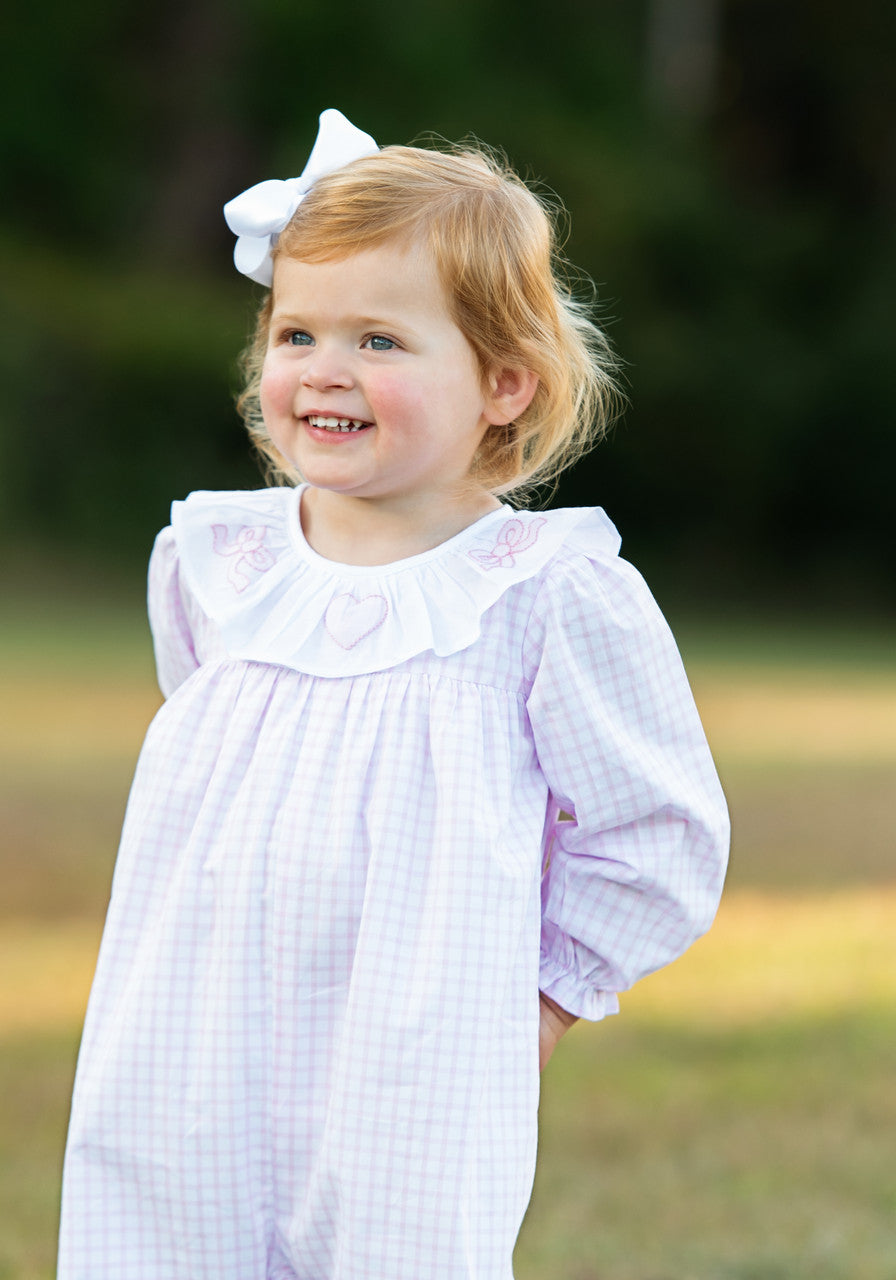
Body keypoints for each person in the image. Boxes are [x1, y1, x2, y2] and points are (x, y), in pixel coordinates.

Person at [57, 109, 729, 1280]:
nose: (323, 369)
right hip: (189, 1027)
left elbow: (654, 825)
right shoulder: (220, 563)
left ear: (503, 383)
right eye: (297, 330)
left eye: (379, 340)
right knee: (160, 1240)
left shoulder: (545, 593)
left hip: (414, 1041)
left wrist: (548, 996)